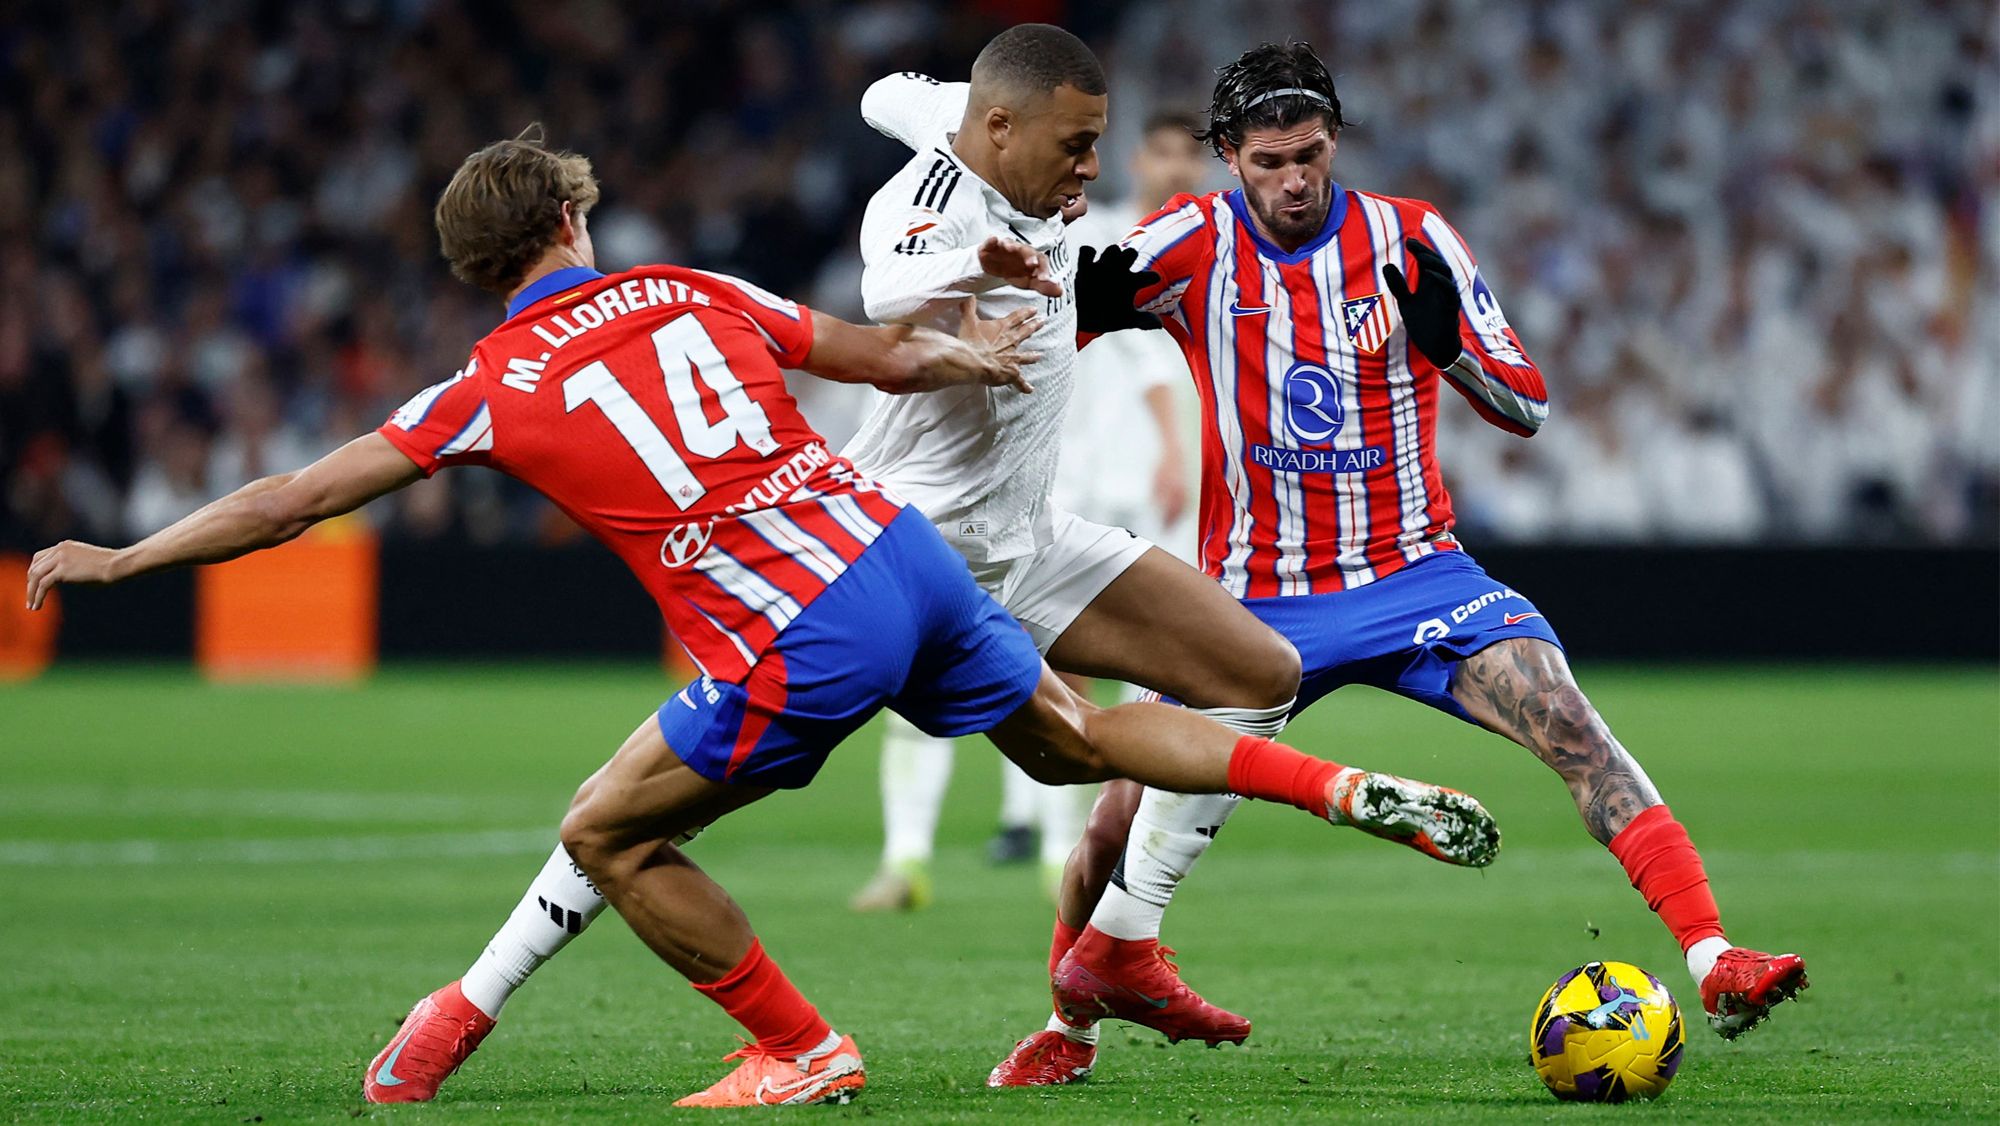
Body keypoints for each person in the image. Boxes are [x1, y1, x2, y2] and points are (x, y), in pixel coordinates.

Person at [27, 127, 1505, 1108]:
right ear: (569, 220)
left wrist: (126, 558)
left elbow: (292, 496)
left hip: (797, 624)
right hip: (898, 547)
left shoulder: (482, 388)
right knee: (1074, 743)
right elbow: (874, 355)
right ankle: (1330, 779)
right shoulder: (685, 285)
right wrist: (978, 355)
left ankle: (798, 1044)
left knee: (607, 825)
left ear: (477, 269)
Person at [983, 40, 1810, 1086]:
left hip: (1413, 575)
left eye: (1311, 155)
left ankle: (1710, 955)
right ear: (1227, 155)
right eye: (1269, 161)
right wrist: (1073, 317)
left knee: (1568, 723)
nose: (1293, 181)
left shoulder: (1409, 239)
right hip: (1249, 595)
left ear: (1334, 141)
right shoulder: (1185, 241)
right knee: (1112, 818)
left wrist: (1448, 345)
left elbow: (1529, 403)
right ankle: (1074, 1024)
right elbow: (1026, 356)